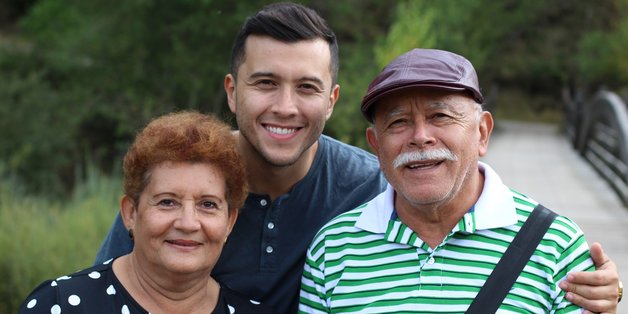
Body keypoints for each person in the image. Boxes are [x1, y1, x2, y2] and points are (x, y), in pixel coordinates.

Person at [95, 3, 621, 313]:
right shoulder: (183, 190)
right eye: (265, 84)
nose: (285, 106)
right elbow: (107, 292)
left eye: (306, 86)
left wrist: (592, 285)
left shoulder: (377, 184)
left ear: (332, 100)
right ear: (232, 92)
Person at [298, 48, 619, 313]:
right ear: (376, 145)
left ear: (482, 133)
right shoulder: (333, 249)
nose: (420, 137)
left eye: (440, 116)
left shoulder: (556, 245)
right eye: (398, 122)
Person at [19, 111, 276, 314]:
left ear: (230, 221)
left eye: (208, 204)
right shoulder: (60, 306)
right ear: (130, 213)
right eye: (167, 202)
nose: (188, 223)